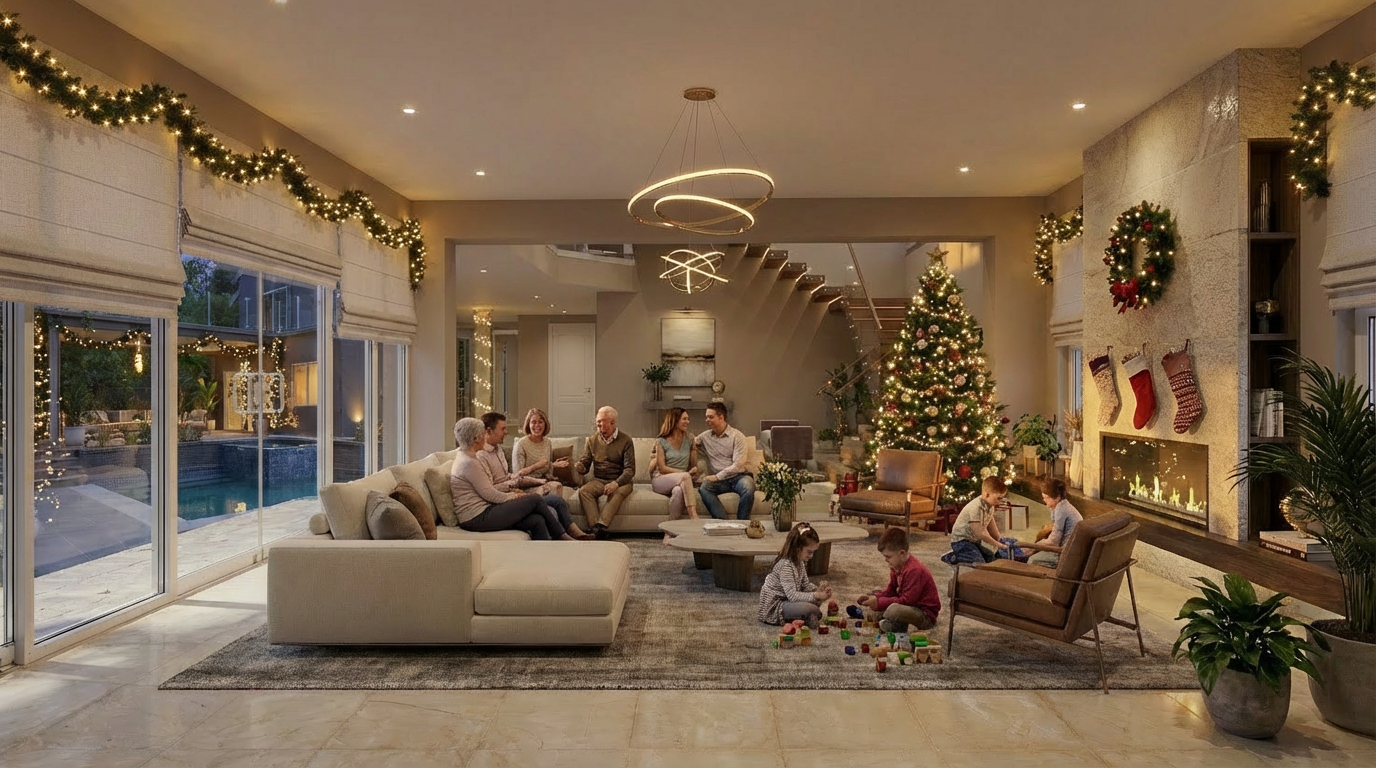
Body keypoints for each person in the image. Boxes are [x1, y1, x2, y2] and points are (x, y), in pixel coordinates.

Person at [449, 417, 575, 540]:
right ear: (476, 439)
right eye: (482, 434)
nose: (484, 437)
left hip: (484, 511)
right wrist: (516, 496)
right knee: (535, 499)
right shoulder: (469, 463)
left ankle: (544, 551)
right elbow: (490, 494)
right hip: (476, 517)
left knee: (537, 520)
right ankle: (562, 536)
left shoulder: (469, 458)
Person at [477, 411, 594, 541]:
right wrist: (529, 479)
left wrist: (551, 468)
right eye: (503, 429)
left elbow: (511, 476)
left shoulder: (498, 450)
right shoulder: (482, 456)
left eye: (540, 422)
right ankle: (563, 538)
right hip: (516, 491)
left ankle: (575, 533)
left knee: (558, 501)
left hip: (521, 487)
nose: (506, 432)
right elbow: (515, 476)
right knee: (549, 511)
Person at [857, 527, 941, 634]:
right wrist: (876, 597)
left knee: (893, 609)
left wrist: (879, 603)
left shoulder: (914, 570)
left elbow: (907, 601)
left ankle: (893, 623)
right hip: (909, 606)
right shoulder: (897, 566)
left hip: (924, 614)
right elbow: (891, 590)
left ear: (902, 553)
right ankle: (891, 623)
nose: (886, 560)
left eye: (888, 557)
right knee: (876, 595)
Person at [574, 406, 635, 539]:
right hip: (599, 480)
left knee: (617, 492)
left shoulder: (626, 440)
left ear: (613, 423)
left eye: (604, 424)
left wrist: (616, 483)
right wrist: (579, 466)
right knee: (584, 491)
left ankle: (601, 525)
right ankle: (596, 529)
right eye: (598, 423)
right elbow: (585, 463)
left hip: (621, 481)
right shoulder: (592, 440)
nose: (601, 427)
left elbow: (630, 470)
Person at [757, 522, 834, 629]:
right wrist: (816, 595)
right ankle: (803, 616)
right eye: (809, 552)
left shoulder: (800, 562)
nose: (811, 556)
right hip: (775, 606)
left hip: (788, 601)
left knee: (814, 607)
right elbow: (792, 596)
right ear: (797, 548)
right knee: (813, 609)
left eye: (813, 552)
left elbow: (805, 585)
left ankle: (802, 616)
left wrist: (818, 590)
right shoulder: (786, 565)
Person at [695, 402, 756, 520]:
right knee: (704, 488)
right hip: (719, 482)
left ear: (721, 417)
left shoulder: (737, 436)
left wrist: (717, 476)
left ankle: (742, 523)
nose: (707, 420)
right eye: (706, 417)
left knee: (748, 487)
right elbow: (691, 442)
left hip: (738, 477)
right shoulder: (705, 437)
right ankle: (723, 522)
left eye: (710, 417)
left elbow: (738, 465)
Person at [940, 476, 1015, 565]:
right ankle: (954, 557)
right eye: (998, 498)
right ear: (987, 495)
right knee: (979, 563)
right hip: (961, 541)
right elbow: (980, 532)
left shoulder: (990, 505)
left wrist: (999, 538)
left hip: (974, 541)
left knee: (991, 558)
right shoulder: (976, 507)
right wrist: (998, 544)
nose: (1000, 501)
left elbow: (991, 523)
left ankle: (965, 554)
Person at [651, 407, 700, 543]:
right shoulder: (661, 441)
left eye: (688, 419)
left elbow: (693, 467)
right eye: (684, 419)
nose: (687, 422)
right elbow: (662, 468)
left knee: (678, 491)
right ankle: (694, 517)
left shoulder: (689, 439)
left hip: (681, 481)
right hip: (661, 480)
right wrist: (683, 473)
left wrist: (694, 453)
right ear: (675, 420)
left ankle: (669, 532)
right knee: (684, 477)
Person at [1024, 477, 1083, 568]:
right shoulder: (1062, 505)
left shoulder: (1061, 509)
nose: (1044, 500)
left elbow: (1054, 541)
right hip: (1067, 548)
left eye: (1047, 497)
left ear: (1057, 497)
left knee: (1032, 560)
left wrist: (1033, 546)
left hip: (1065, 553)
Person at [512, 407, 570, 486]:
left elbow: (548, 470)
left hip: (544, 481)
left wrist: (553, 465)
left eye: (540, 422)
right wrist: (537, 466)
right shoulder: (521, 444)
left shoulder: (547, 442)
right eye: (533, 422)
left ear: (545, 424)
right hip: (528, 484)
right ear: (528, 425)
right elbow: (518, 476)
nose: (537, 425)